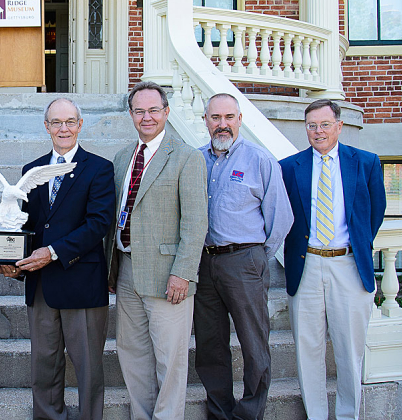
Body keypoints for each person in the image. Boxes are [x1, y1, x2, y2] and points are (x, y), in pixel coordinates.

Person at [0, 98, 116, 420]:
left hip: (80, 280)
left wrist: (52, 252)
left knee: (88, 366)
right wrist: (11, 259)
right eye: (56, 122)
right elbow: (28, 226)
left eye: (69, 122)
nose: (63, 128)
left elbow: (98, 224)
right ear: (46, 126)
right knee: (44, 365)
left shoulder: (99, 168)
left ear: (80, 124)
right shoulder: (31, 171)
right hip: (41, 286)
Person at [105, 81, 208, 420]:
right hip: (127, 269)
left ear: (166, 112)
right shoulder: (122, 158)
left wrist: (183, 272)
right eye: (139, 111)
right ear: (131, 114)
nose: (146, 117)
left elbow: (195, 222)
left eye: (153, 110)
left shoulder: (187, 157)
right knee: (133, 355)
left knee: (170, 360)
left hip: (169, 276)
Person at [280, 99, 386, 420]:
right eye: (312, 125)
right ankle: (315, 415)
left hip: (349, 267)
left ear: (339, 126)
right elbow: (284, 217)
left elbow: (375, 213)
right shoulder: (289, 167)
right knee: (308, 350)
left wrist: (357, 246)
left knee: (349, 350)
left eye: (325, 124)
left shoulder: (365, 162)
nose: (318, 131)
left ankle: (348, 414)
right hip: (307, 266)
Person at [195, 93, 293, 420]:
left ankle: (249, 413)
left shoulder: (259, 160)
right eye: (215, 118)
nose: (222, 124)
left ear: (239, 120)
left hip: (244, 260)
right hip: (204, 263)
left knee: (254, 343)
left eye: (228, 117)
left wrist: (257, 256)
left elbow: (281, 218)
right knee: (210, 344)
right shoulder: (195, 160)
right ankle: (220, 411)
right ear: (205, 120)